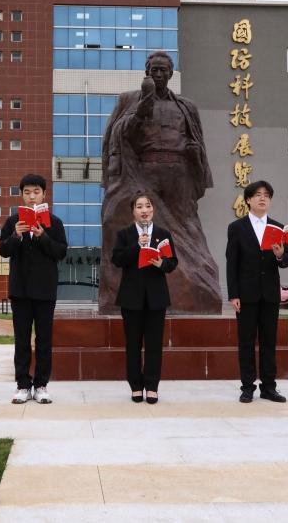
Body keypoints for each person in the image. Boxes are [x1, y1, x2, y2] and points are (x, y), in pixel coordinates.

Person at [99, 50, 222, 315]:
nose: (157, 74)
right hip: (144, 170)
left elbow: (196, 138)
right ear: (147, 73)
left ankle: (199, 280)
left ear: (170, 73)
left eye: (162, 70)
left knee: (187, 225)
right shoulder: (130, 99)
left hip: (178, 171)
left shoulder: (185, 106)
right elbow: (118, 134)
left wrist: (194, 155)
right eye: (153, 70)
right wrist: (139, 114)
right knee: (121, 219)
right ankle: (127, 288)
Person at [0, 174, 68, 404]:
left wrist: (42, 236)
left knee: (44, 339)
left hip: (45, 290)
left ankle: (41, 385)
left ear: (44, 194)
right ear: (21, 195)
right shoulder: (13, 221)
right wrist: (16, 236)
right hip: (20, 290)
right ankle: (22, 385)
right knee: (22, 339)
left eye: (36, 192)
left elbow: (61, 252)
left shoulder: (54, 223)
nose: (32, 196)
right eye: (27, 192)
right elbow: (3, 250)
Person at [225, 181, 288, 403]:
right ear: (248, 200)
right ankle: (247, 386)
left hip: (270, 294)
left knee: (268, 341)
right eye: (257, 195)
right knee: (246, 341)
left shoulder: (278, 228)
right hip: (246, 294)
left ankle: (269, 387)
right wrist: (233, 294)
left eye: (266, 195)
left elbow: (287, 261)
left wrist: (280, 254)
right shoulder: (237, 227)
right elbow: (232, 263)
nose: (262, 198)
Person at [112, 193, 178, 404]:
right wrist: (137, 245)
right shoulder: (125, 234)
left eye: (147, 206)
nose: (144, 210)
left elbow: (172, 262)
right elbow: (117, 259)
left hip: (156, 298)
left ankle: (151, 386)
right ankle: (135, 386)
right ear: (133, 211)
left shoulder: (162, 234)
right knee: (132, 344)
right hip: (131, 298)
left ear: (153, 209)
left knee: (154, 344)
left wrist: (161, 263)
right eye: (139, 206)